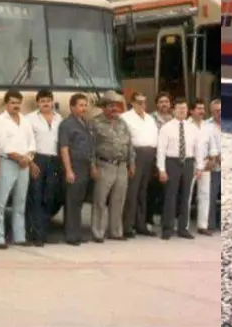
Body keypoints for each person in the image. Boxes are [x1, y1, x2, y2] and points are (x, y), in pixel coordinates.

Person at [0, 89, 36, 248]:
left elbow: (32, 143)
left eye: (18, 103)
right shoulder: (0, 121)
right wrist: (20, 158)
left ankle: (19, 236)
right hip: (8, 162)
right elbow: (4, 146)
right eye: (12, 102)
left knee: (20, 201)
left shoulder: (25, 121)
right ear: (6, 103)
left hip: (25, 164)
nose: (16, 105)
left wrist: (28, 158)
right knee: (0, 202)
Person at [156, 98, 204, 240]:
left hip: (188, 162)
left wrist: (199, 166)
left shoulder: (193, 128)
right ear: (174, 110)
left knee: (186, 196)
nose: (182, 110)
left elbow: (198, 149)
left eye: (184, 108)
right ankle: (167, 228)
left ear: (187, 110)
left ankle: (183, 228)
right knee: (170, 195)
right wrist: (161, 169)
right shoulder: (166, 128)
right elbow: (161, 150)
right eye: (179, 108)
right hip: (172, 162)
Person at [90, 91, 134, 242]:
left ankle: (116, 232)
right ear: (103, 107)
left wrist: (132, 163)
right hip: (104, 164)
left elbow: (129, 144)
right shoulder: (95, 123)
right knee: (100, 200)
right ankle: (98, 232)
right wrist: (92, 166)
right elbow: (90, 147)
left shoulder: (122, 123)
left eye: (116, 105)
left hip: (121, 166)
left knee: (118, 200)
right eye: (110, 106)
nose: (114, 108)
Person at [25, 89, 62, 246]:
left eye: (48, 100)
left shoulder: (59, 118)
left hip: (54, 160)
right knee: (36, 196)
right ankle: (34, 234)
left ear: (52, 102)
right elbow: (26, 142)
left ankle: (44, 232)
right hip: (37, 159)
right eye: (42, 101)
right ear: (37, 103)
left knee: (49, 197)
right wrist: (31, 162)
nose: (46, 103)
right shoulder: (30, 119)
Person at [121, 92, 159, 238]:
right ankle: (127, 226)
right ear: (132, 103)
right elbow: (126, 141)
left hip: (150, 155)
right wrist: (130, 161)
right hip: (135, 154)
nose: (142, 105)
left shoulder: (149, 118)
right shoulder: (125, 117)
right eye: (139, 102)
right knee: (132, 192)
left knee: (143, 192)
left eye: (144, 102)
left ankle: (141, 224)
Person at [58, 93, 95, 246]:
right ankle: (71, 235)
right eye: (80, 105)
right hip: (74, 166)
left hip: (85, 166)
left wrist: (92, 166)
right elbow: (64, 148)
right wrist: (68, 170)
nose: (84, 108)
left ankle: (77, 233)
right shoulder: (67, 125)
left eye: (85, 105)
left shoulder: (85, 123)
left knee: (79, 201)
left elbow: (90, 147)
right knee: (72, 201)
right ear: (72, 107)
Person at [146, 92, 174, 228]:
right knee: (153, 190)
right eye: (161, 102)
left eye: (166, 101)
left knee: (168, 192)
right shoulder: (150, 119)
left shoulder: (174, 118)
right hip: (155, 158)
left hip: (171, 159)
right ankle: (148, 220)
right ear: (156, 104)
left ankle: (166, 220)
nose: (164, 104)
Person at [196, 99, 223, 235]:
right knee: (211, 196)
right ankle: (210, 224)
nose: (219, 113)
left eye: (221, 110)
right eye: (216, 111)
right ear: (211, 112)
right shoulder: (206, 126)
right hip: (214, 165)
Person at [185, 99, 207, 229]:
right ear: (191, 111)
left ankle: (202, 225)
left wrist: (211, 158)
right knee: (187, 194)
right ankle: (184, 225)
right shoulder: (186, 125)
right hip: (191, 162)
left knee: (204, 194)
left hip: (206, 163)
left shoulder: (207, 125)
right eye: (199, 108)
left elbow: (211, 144)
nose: (202, 111)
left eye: (203, 108)